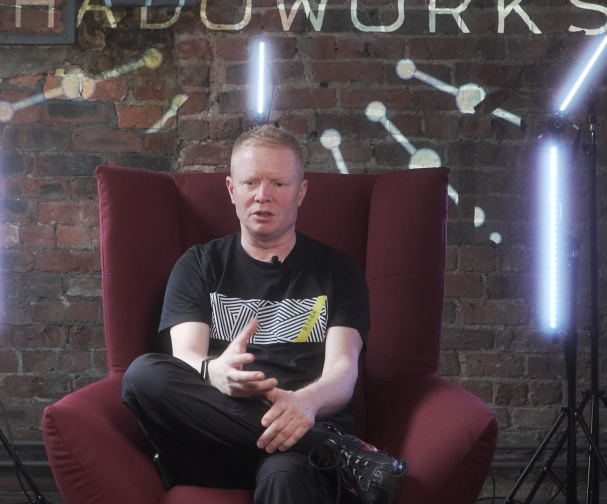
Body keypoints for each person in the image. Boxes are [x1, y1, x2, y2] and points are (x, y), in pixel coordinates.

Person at [121, 125, 408, 504]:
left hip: (300, 434)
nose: (262, 195)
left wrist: (305, 403)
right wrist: (213, 372)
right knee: (142, 375)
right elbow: (185, 355)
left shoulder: (338, 271)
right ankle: (338, 452)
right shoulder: (199, 265)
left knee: (286, 476)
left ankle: (319, 446)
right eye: (251, 182)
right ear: (231, 189)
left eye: (279, 183)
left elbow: (343, 371)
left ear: (301, 191)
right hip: (215, 434)